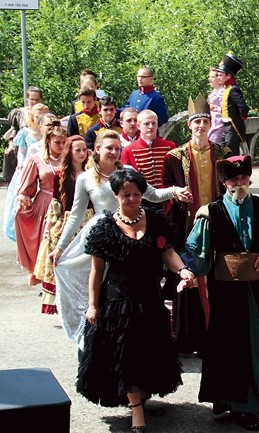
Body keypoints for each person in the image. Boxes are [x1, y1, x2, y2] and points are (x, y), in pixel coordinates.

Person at [181, 155, 259, 431]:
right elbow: (195, 251)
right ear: (224, 182)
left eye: (244, 178)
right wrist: (189, 271)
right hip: (225, 292)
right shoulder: (210, 213)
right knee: (232, 345)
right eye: (233, 180)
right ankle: (237, 404)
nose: (239, 184)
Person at [49, 130, 192, 348]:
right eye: (109, 148)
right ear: (97, 149)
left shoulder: (129, 171)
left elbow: (151, 194)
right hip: (102, 232)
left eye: (118, 148)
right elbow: (76, 215)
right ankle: (92, 333)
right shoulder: (85, 178)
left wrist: (175, 191)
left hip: (132, 230)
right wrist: (60, 247)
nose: (115, 152)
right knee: (97, 284)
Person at [77, 169, 188, 432]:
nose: (133, 199)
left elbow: (168, 253)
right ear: (114, 195)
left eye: (137, 194)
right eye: (126, 195)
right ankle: (137, 410)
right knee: (124, 353)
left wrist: (182, 270)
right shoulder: (104, 227)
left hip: (149, 297)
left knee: (147, 350)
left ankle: (139, 394)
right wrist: (93, 305)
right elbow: (96, 271)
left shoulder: (157, 221)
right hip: (118, 298)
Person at [162, 94, 231, 354]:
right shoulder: (175, 156)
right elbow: (165, 192)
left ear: (210, 124)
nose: (200, 126)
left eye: (204, 121)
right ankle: (190, 336)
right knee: (190, 279)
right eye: (196, 122)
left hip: (218, 225)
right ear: (189, 125)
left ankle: (219, 334)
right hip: (188, 225)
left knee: (218, 279)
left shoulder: (223, 153)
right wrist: (177, 195)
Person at [34, 135, 92, 314]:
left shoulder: (92, 173)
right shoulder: (61, 175)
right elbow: (56, 202)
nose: (82, 153)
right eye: (78, 150)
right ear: (70, 152)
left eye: (84, 150)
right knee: (60, 255)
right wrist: (52, 225)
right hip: (68, 219)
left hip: (89, 218)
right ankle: (61, 300)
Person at [14, 120, 66, 285]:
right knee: (45, 241)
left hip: (67, 203)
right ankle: (44, 276)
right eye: (57, 142)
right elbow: (25, 188)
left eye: (64, 142)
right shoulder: (36, 159)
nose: (61, 145)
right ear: (49, 141)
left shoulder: (70, 158)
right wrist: (23, 199)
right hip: (45, 204)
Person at [3, 103, 49, 242]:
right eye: (37, 116)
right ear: (32, 117)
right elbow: (22, 152)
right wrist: (21, 164)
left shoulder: (49, 132)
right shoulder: (26, 132)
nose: (39, 118)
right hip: (28, 167)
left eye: (42, 116)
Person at [121, 109, 175, 190]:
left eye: (153, 123)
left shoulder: (170, 146)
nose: (150, 127)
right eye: (146, 124)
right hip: (142, 198)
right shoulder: (128, 151)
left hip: (167, 197)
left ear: (157, 125)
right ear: (138, 126)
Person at [2, 86, 43, 184]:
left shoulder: (45, 112)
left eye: (37, 99)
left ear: (41, 99)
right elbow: (14, 131)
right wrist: (11, 145)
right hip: (23, 146)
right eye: (32, 99)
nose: (34, 102)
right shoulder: (19, 114)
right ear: (27, 99)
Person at [217, 54, 249, 155]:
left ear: (228, 76)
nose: (218, 78)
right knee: (223, 151)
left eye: (220, 75)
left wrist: (238, 118)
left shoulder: (233, 89)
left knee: (231, 153)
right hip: (226, 127)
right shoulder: (227, 88)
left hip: (232, 127)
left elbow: (243, 107)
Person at [207, 66, 225, 144]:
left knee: (214, 144)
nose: (209, 79)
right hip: (212, 122)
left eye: (212, 77)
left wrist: (215, 108)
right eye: (209, 77)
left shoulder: (222, 91)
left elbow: (225, 108)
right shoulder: (214, 91)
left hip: (219, 123)